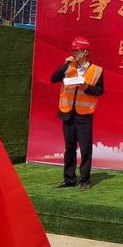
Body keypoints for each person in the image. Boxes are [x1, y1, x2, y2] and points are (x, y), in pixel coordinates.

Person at [51, 36, 104, 191]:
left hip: (84, 115)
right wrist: (65, 64)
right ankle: (69, 179)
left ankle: (85, 180)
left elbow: (99, 91)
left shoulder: (96, 70)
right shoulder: (68, 66)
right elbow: (54, 79)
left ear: (85, 52)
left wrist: (86, 87)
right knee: (69, 148)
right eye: (72, 50)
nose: (73, 53)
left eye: (76, 50)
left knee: (85, 148)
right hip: (67, 112)